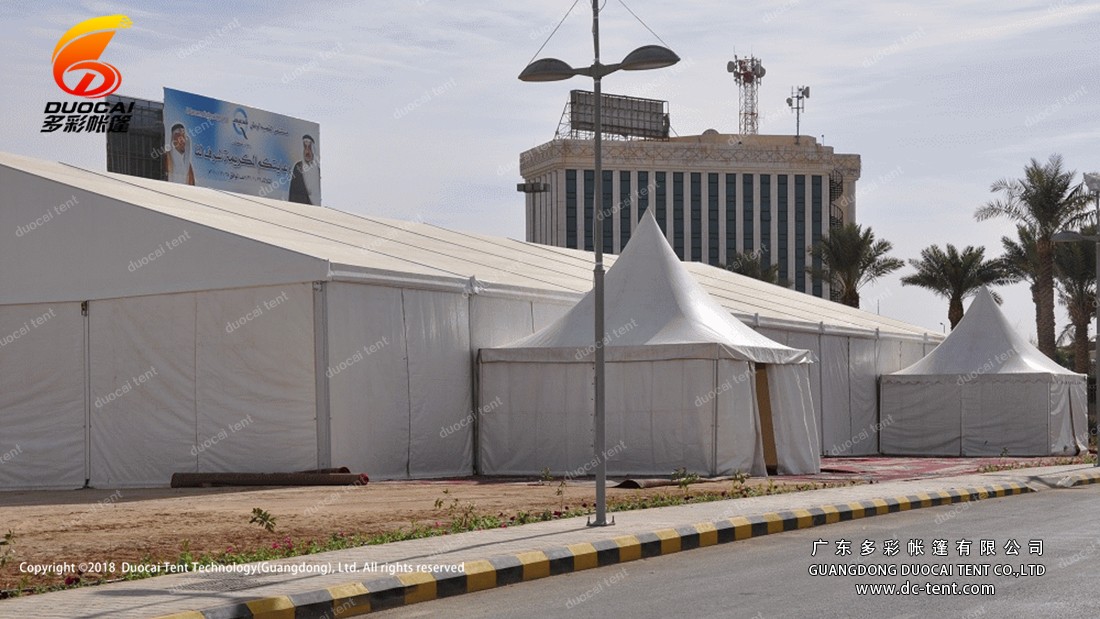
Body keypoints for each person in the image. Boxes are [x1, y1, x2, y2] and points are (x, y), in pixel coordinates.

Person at [288, 134, 320, 205]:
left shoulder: (317, 171)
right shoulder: (298, 167)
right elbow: (292, 194)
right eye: (305, 147)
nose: (307, 151)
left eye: (309, 148)